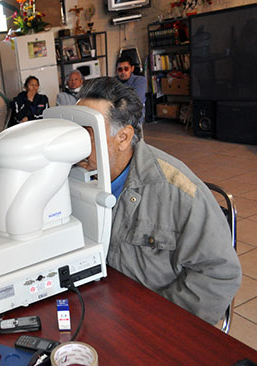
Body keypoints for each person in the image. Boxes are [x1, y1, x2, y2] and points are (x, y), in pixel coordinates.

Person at [76, 77, 241, 325]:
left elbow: (219, 273)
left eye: (87, 133)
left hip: (149, 322)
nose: (74, 144)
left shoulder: (179, 193)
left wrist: (157, 320)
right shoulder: (71, 176)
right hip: (98, 306)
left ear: (123, 138)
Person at [116, 55, 146, 123]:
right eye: (120, 69)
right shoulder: (112, 81)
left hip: (134, 116)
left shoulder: (140, 80)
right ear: (116, 70)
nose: (123, 72)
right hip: (116, 116)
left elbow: (135, 100)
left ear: (132, 69)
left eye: (126, 69)